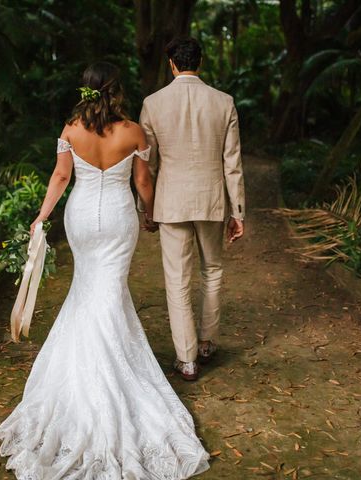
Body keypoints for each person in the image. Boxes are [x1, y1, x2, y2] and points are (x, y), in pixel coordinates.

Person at [0, 61, 210, 479]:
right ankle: (111, 375)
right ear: (117, 91)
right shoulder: (132, 131)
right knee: (108, 293)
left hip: (80, 218)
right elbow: (143, 183)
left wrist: (43, 215)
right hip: (117, 217)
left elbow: (60, 176)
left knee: (87, 289)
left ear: (87, 90)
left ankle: (84, 374)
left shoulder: (72, 128)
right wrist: (150, 215)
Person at [138, 37, 246, 382]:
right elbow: (233, 162)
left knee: (177, 279)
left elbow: (148, 164)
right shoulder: (224, 102)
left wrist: (147, 208)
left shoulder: (153, 104)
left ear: (172, 64)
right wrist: (238, 211)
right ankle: (207, 342)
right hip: (212, 199)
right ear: (200, 62)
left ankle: (186, 359)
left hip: (170, 203)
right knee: (212, 270)